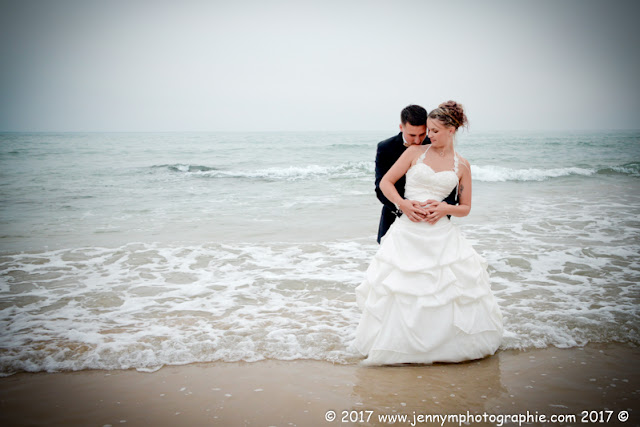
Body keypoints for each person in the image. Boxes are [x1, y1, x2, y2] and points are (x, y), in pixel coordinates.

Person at [352, 101, 503, 365]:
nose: (427, 136)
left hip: (441, 234)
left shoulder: (463, 166)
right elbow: (385, 183)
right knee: (403, 291)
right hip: (406, 232)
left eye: (433, 131)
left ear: (451, 130)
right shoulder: (414, 154)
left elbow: (465, 208)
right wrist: (403, 204)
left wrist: (446, 207)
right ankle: (397, 346)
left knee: (442, 292)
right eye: (426, 131)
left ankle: (444, 348)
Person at [375, 105, 457, 244]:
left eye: (422, 134)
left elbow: (449, 181)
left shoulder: (436, 145)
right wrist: (402, 207)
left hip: (434, 223)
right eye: (412, 135)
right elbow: (380, 187)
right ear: (401, 127)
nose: (418, 141)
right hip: (395, 219)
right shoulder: (385, 148)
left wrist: (442, 208)